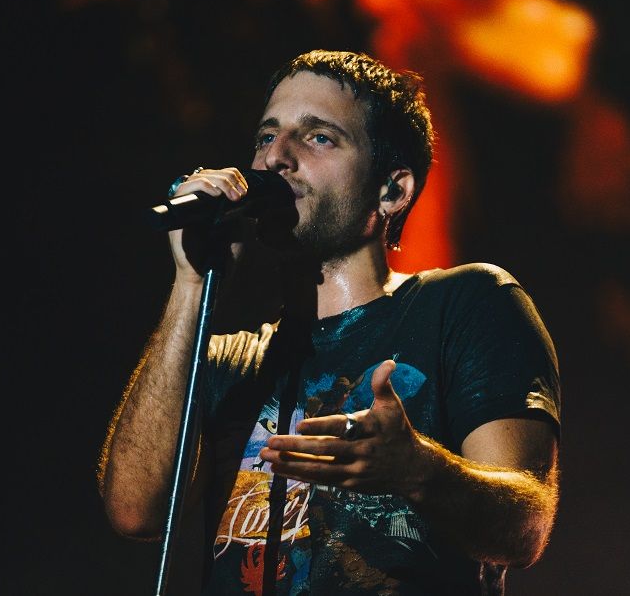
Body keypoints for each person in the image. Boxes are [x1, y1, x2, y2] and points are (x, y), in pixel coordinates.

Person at [98, 50, 561, 595]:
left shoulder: (465, 304)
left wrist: (418, 470)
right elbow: (136, 512)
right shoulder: (228, 361)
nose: (276, 158)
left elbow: (524, 529)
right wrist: (192, 283)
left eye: (319, 137)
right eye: (267, 136)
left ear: (393, 190)